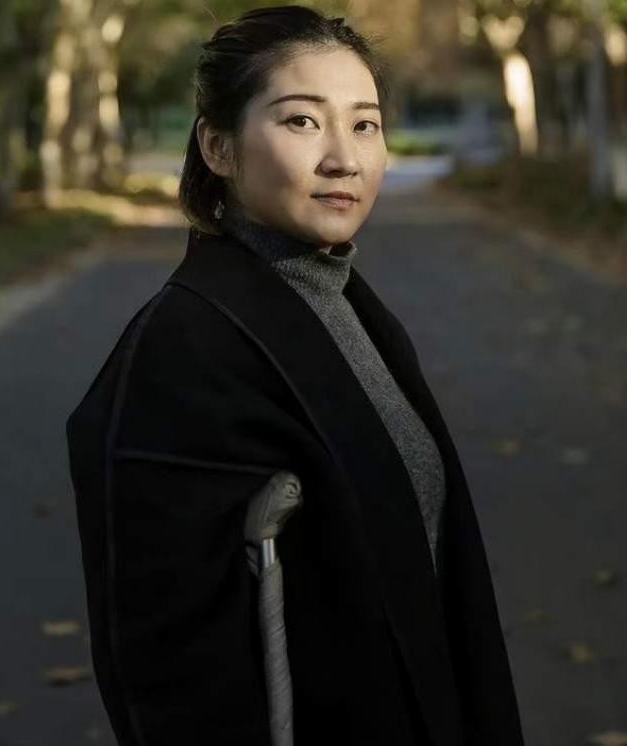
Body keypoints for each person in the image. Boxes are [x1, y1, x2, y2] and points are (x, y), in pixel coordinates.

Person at [65, 6, 526, 746]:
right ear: (218, 146)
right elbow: (168, 679)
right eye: (302, 121)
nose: (343, 158)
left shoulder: (349, 308)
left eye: (365, 124)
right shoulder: (181, 355)